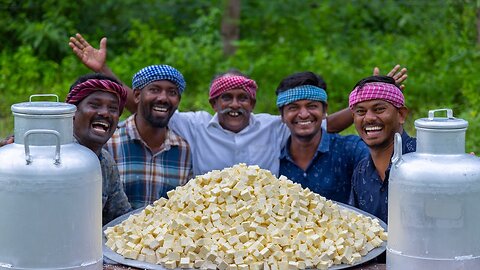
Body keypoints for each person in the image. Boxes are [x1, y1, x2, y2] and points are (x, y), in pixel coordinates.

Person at [68, 33, 407, 176]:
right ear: (213, 101)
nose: (234, 105)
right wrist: (105, 73)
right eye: (226, 98)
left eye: (242, 98)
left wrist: (370, 95)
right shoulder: (194, 124)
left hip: (260, 226)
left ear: (252, 103)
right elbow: (146, 107)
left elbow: (325, 123)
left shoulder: (274, 126)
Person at [0, 73, 132, 225]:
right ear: (72, 113)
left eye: (113, 108)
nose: (104, 113)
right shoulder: (41, 151)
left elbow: (121, 220)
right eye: (94, 105)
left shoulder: (106, 163)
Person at [106, 64, 193, 209]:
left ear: (178, 101)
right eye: (154, 90)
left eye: (172, 92)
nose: (163, 98)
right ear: (137, 95)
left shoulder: (183, 150)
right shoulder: (110, 141)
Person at [275, 72, 369, 204]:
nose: (303, 114)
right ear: (282, 116)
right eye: (293, 107)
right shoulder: (273, 159)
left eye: (312, 106)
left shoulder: (350, 149)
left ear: (324, 111)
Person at [348, 75, 416, 223]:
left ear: (401, 114)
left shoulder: (425, 159)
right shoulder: (361, 172)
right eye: (360, 111)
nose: (369, 118)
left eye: (379, 109)